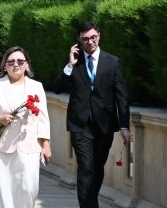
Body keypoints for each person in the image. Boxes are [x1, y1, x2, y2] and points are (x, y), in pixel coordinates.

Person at [52, 21, 130, 208]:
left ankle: (90, 201)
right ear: (79, 39)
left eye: (93, 37)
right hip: (80, 125)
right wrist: (69, 66)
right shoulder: (74, 60)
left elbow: (122, 96)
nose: (90, 42)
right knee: (86, 167)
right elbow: (56, 88)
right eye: (85, 39)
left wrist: (124, 125)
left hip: (104, 124)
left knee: (97, 167)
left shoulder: (112, 62)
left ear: (99, 36)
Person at [0, 46, 51, 208]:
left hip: (30, 145)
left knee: (29, 188)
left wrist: (46, 145)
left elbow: (43, 118)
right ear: (4, 66)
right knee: (3, 190)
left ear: (27, 64)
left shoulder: (36, 86)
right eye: (11, 62)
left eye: (20, 61)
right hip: (1, 147)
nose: (16, 64)